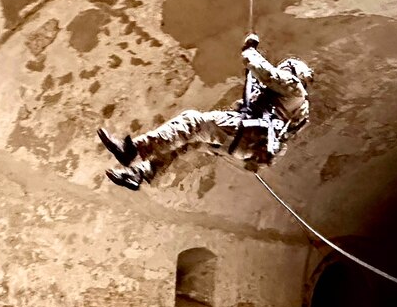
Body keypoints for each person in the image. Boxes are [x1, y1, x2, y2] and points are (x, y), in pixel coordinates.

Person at [98, 34, 313, 190]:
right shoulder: (297, 110)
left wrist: (250, 49)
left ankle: (133, 151)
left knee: (191, 122)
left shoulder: (294, 87)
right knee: (186, 143)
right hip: (246, 146)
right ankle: (141, 172)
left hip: (244, 131)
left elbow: (264, 72)